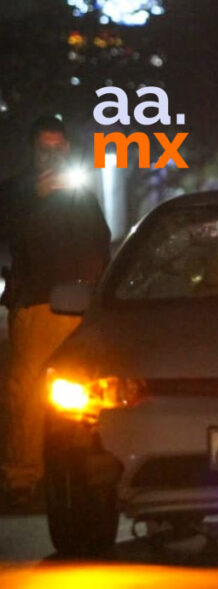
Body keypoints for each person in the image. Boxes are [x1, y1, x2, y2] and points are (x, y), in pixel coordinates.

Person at [1, 116, 111, 507]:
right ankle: (23, 478)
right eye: (45, 148)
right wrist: (36, 199)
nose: (52, 155)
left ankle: (90, 467)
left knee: (89, 390)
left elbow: (102, 238)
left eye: (59, 147)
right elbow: (11, 235)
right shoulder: (17, 192)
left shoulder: (81, 193)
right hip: (38, 303)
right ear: (32, 151)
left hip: (83, 306)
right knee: (28, 393)